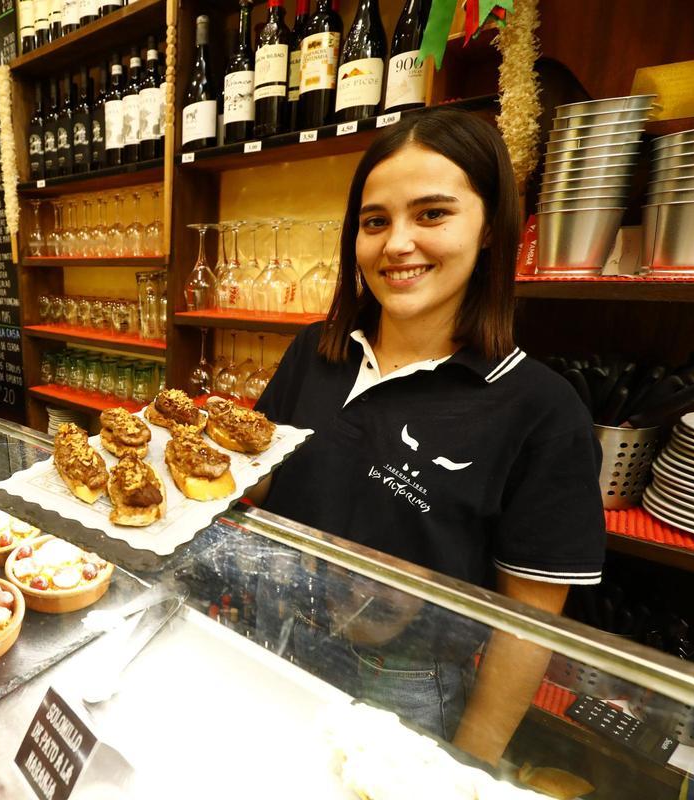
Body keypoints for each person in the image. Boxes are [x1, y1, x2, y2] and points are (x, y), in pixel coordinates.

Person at [250, 107, 606, 765]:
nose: (396, 244)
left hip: (405, 688)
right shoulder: (316, 352)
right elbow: (266, 474)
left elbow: (527, 627)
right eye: (375, 221)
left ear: (492, 229)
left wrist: (466, 767)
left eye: (432, 215)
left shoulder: (543, 413)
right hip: (266, 634)